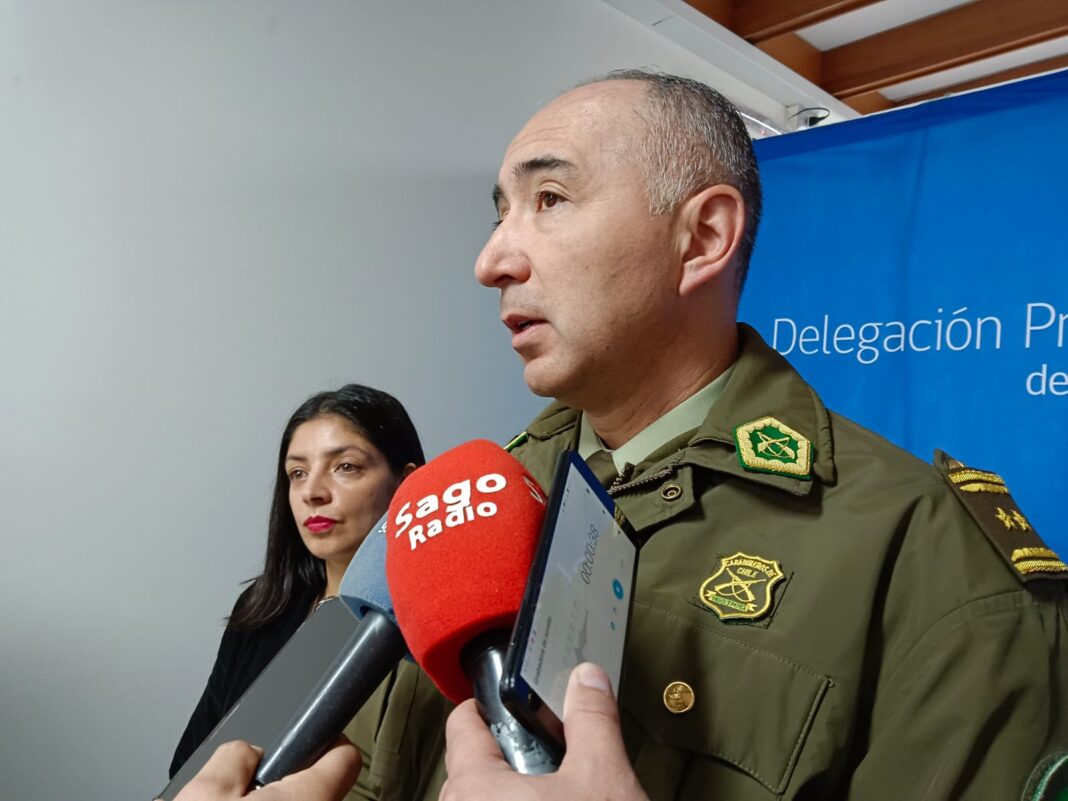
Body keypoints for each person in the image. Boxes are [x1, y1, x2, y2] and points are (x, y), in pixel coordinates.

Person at [176, 69, 1068, 800]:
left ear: (702, 237)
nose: (491, 260)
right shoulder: (461, 503)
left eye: (550, 198)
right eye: (500, 212)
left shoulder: (929, 557)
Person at [169, 384, 424, 779]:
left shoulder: (427, 619)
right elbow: (189, 765)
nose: (312, 493)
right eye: (298, 473)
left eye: (345, 467)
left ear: (406, 482)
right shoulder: (264, 606)